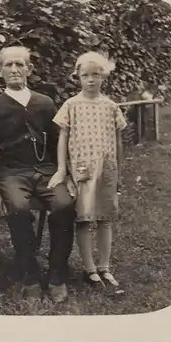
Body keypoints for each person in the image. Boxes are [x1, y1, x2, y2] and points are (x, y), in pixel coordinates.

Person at [0, 45, 76, 303]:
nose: (14, 69)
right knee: (19, 208)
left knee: (64, 205)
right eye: (8, 65)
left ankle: (57, 273)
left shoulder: (44, 103)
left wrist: (63, 173)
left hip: (46, 170)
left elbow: (59, 142)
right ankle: (30, 274)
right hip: (11, 173)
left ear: (29, 69)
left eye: (20, 64)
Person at [50, 51, 127, 288]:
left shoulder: (111, 106)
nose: (91, 79)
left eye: (96, 75)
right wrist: (63, 168)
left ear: (104, 76)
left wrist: (118, 172)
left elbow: (117, 140)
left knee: (105, 218)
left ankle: (104, 266)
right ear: (78, 77)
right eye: (86, 75)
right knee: (84, 219)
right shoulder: (71, 105)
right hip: (82, 169)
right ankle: (89, 269)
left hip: (106, 169)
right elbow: (62, 137)